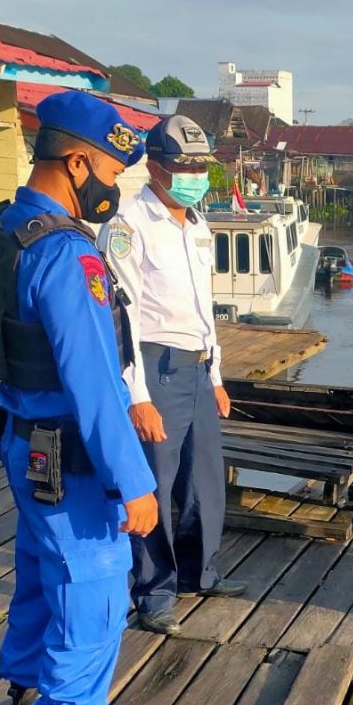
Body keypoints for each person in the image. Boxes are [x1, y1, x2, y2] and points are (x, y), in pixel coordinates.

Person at [0, 91, 159, 705]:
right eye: (112, 168)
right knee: (91, 594)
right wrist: (134, 482)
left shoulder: (8, 228)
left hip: (22, 440)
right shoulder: (67, 252)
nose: (114, 186)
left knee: (36, 577)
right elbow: (95, 384)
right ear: (76, 161)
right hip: (72, 457)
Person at [100, 115, 247, 637]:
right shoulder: (126, 226)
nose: (194, 174)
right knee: (154, 485)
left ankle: (198, 573)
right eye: (184, 165)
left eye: (201, 166)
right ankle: (154, 590)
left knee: (205, 478)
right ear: (155, 166)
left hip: (196, 365)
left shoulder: (197, 222)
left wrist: (217, 373)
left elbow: (204, 306)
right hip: (154, 367)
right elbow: (124, 317)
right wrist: (135, 394)